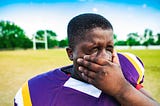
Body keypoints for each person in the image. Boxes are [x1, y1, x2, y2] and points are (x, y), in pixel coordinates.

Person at [14, 13, 159, 106]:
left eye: (109, 48)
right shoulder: (35, 91)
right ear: (71, 53)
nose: (104, 57)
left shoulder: (127, 64)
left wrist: (121, 88)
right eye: (94, 49)